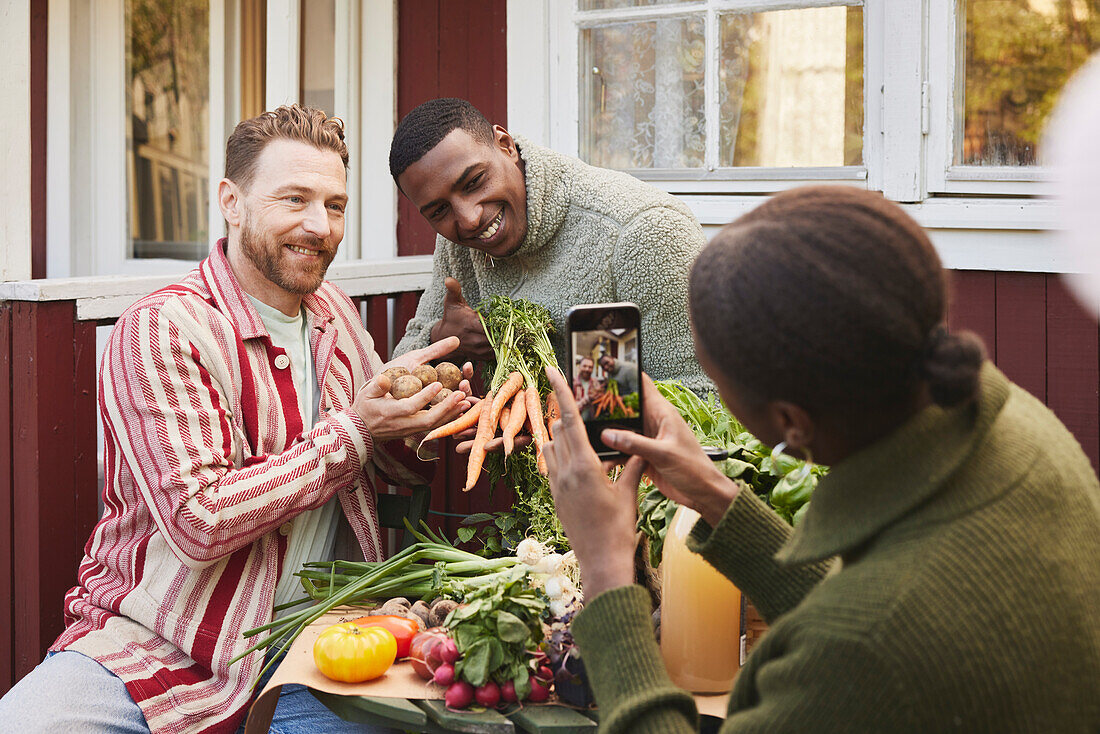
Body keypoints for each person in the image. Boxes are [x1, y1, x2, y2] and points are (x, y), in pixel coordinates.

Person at [543, 186, 1100, 733]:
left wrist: (607, 575)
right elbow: (867, 607)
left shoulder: (863, 649)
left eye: (717, 379)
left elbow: (870, 635)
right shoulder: (1018, 426)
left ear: (790, 422)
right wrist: (714, 495)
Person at [0, 105, 473, 734]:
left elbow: (389, 466)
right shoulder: (165, 328)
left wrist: (421, 423)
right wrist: (357, 430)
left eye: (335, 205)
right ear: (231, 201)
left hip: (314, 647)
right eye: (294, 199)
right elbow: (200, 520)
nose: (319, 226)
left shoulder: (335, 317)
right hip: (160, 640)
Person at [387, 97, 710, 393]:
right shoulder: (460, 239)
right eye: (439, 211)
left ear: (505, 145)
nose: (469, 219)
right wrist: (443, 340)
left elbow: (701, 397)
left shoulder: (643, 230)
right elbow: (399, 371)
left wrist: (570, 428)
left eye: (474, 182)